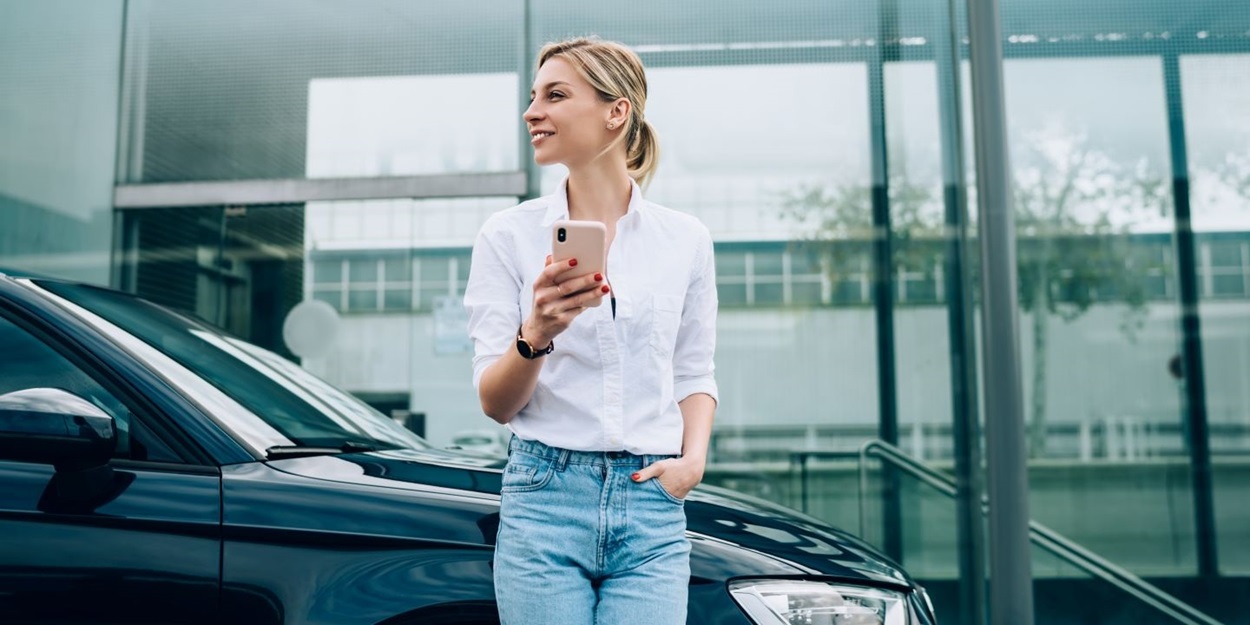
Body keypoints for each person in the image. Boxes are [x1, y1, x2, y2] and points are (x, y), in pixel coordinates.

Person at [463, 37, 718, 625]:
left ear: (616, 111)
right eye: (533, 97)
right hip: (545, 495)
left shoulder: (685, 239)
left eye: (555, 95)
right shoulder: (507, 235)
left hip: (651, 499)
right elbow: (495, 402)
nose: (532, 112)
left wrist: (693, 461)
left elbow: (693, 369)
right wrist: (537, 332)